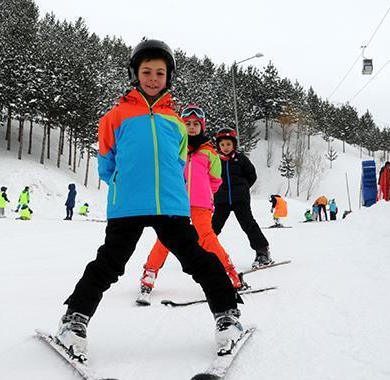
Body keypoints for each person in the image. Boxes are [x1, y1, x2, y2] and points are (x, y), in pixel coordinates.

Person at [54, 39, 246, 363]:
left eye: (160, 72)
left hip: (170, 206)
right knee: (109, 263)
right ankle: (74, 321)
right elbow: (105, 164)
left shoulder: (176, 123)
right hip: (128, 204)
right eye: (146, 71)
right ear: (135, 73)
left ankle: (227, 316)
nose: (153, 78)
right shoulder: (114, 118)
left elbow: (177, 161)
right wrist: (124, 182)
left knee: (197, 258)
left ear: (168, 76)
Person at [138, 104, 241, 304]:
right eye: (187, 124)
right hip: (175, 204)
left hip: (200, 205)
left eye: (196, 124)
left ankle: (229, 271)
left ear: (202, 126)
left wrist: (204, 194)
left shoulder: (209, 151)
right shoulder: (175, 148)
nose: (192, 127)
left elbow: (216, 179)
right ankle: (149, 273)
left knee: (207, 239)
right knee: (165, 239)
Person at [211, 127, 272, 268]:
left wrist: (243, 188)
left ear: (234, 145)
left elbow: (252, 175)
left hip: (240, 199)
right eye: (222, 144)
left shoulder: (240, 158)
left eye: (228, 144)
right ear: (218, 146)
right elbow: (211, 178)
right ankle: (203, 251)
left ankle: (262, 251)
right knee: (214, 226)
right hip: (222, 200)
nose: (225, 147)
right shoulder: (215, 160)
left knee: (248, 224)